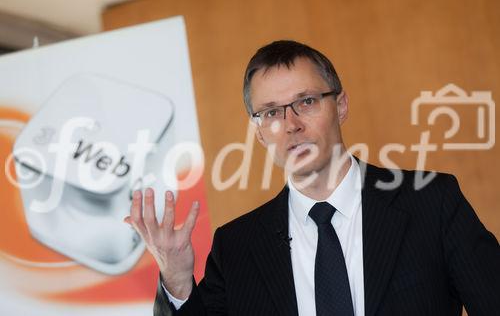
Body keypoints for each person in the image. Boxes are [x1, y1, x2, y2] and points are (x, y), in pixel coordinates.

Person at [125, 40, 500, 316]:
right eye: (271, 112)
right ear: (258, 132)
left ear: (340, 105)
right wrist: (175, 279)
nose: (290, 125)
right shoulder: (236, 247)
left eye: (306, 102)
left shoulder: (432, 203)